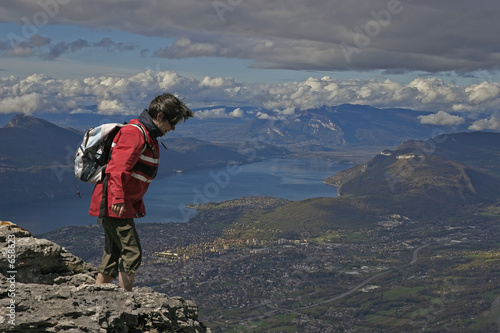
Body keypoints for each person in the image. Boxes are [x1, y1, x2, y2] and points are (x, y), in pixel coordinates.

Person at [89, 93, 193, 291]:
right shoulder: (135, 133)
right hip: (114, 202)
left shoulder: (148, 136)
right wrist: (119, 199)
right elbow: (117, 169)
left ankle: (97, 294)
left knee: (113, 252)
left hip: (118, 202)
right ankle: (126, 299)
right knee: (131, 252)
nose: (173, 128)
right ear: (160, 116)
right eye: (172, 122)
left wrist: (134, 202)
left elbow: (136, 175)